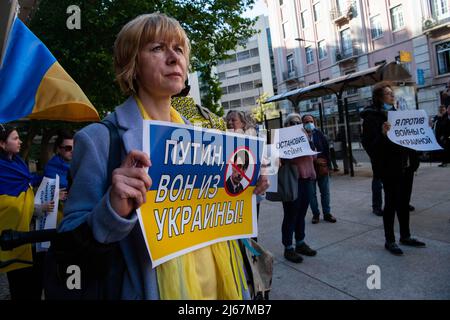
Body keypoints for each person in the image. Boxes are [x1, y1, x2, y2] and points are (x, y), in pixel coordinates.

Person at [58, 13, 269, 300]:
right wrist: (113, 209)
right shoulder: (98, 140)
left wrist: (249, 191)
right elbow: (69, 245)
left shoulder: (205, 138)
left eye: (179, 49)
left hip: (224, 289)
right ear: (132, 64)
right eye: (157, 48)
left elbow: (216, 215)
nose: (174, 58)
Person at [361, 82, 425, 256]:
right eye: (388, 94)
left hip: (406, 167)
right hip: (389, 169)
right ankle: (390, 240)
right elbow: (370, 146)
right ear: (379, 98)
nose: (392, 96)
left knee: (404, 204)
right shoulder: (372, 118)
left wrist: (414, 159)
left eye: (392, 93)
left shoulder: (398, 114)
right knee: (390, 204)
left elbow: (408, 139)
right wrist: (382, 135)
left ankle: (405, 236)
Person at [0, 124, 45, 299]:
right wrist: (34, 208)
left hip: (30, 229)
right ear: (3, 144)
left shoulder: (17, 161)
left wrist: (47, 178)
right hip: (13, 233)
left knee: (34, 280)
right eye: (15, 138)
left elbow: (28, 180)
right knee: (19, 281)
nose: (20, 142)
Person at [279, 113, 317, 263]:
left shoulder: (307, 136)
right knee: (290, 214)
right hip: (293, 181)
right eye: (292, 123)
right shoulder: (284, 138)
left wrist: (308, 139)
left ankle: (300, 242)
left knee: (301, 213)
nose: (296, 124)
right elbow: (284, 157)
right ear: (287, 125)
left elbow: (313, 157)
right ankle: (288, 247)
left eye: (297, 122)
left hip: (306, 179)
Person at [302, 114, 337, 224]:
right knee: (311, 194)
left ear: (314, 122)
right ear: (303, 124)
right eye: (306, 122)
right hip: (309, 170)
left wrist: (329, 166)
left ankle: (327, 213)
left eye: (311, 121)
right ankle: (315, 214)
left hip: (321, 168)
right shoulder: (300, 137)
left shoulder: (319, 134)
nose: (309, 124)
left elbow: (326, 149)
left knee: (325, 192)